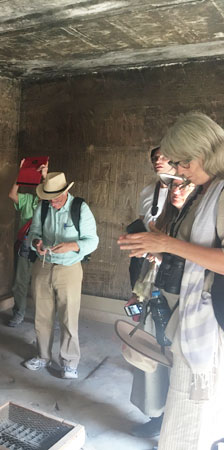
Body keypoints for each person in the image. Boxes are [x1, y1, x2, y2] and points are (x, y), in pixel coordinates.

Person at [118, 112, 224, 450]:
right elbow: (190, 249)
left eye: (181, 162)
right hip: (192, 313)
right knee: (185, 411)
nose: (178, 170)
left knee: (192, 421)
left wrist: (165, 244)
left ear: (203, 153)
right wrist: (151, 243)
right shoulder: (205, 191)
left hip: (212, 325)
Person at [127, 176, 195, 439]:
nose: (177, 191)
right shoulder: (165, 222)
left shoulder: (200, 227)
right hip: (157, 296)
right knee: (155, 364)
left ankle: (175, 427)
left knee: (180, 367)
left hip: (184, 303)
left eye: (184, 185)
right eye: (174, 186)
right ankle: (158, 418)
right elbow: (151, 266)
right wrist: (138, 294)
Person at [24, 172, 98, 379]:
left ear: (66, 192)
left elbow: (93, 241)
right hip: (44, 265)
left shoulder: (80, 208)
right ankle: (42, 356)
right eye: (49, 199)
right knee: (42, 315)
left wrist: (72, 246)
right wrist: (36, 242)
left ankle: (69, 361)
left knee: (68, 316)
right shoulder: (44, 206)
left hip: (70, 268)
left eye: (56, 199)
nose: (53, 203)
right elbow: (34, 232)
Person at [7, 158, 47, 327]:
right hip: (25, 244)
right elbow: (12, 195)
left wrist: (45, 176)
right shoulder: (28, 200)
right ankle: (19, 312)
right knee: (20, 282)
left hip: (44, 247)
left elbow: (55, 194)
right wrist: (21, 174)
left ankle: (45, 316)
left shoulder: (50, 204)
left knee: (44, 283)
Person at [129, 147, 177, 288]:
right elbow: (142, 221)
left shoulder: (185, 190)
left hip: (168, 255)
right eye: (155, 158)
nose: (158, 161)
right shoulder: (147, 190)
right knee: (138, 295)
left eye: (163, 157)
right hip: (144, 254)